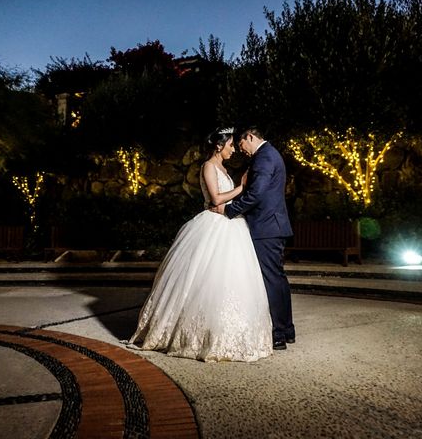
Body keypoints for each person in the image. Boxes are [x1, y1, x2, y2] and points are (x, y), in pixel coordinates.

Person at [126, 127, 273, 362]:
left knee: (233, 278)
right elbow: (215, 198)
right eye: (231, 145)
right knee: (205, 278)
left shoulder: (223, 168)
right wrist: (241, 188)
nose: (233, 149)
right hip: (213, 224)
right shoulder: (208, 166)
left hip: (231, 225)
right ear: (219, 146)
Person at [213, 126, 295, 350]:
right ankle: (286, 329)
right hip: (272, 226)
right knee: (277, 279)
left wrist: (230, 210)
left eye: (242, 145)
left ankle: (278, 334)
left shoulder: (264, 156)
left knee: (271, 280)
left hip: (267, 228)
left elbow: (257, 192)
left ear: (250, 137)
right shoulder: (268, 154)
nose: (243, 150)